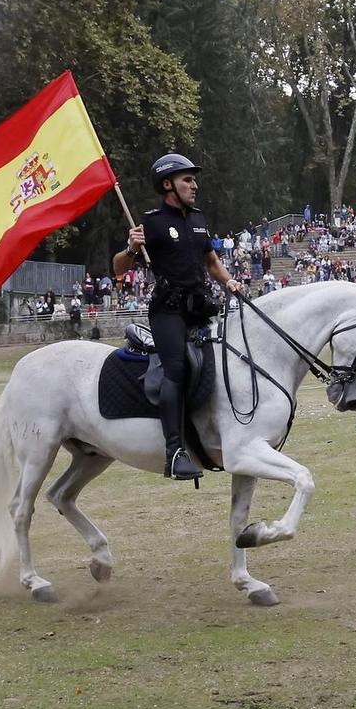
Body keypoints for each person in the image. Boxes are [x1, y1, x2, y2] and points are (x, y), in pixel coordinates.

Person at [114, 153, 244, 481]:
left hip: (199, 307)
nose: (194, 185)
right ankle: (174, 452)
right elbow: (117, 269)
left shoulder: (199, 219)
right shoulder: (152, 222)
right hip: (167, 312)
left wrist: (228, 281)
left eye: (194, 179)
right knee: (177, 369)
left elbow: (212, 262)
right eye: (187, 179)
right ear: (168, 184)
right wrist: (131, 249)